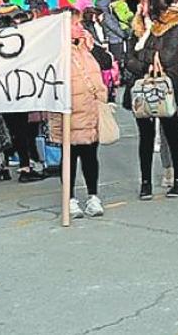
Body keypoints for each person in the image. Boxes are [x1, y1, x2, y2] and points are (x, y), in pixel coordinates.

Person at [124, 0, 178, 200]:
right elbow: (128, 60)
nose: (141, 5)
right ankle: (145, 182)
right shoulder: (136, 28)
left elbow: (169, 57)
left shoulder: (173, 25)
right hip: (142, 87)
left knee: (172, 134)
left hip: (168, 86)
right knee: (145, 136)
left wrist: (142, 54)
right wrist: (147, 64)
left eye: (145, 2)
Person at [50, 12, 109, 218]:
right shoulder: (56, 51)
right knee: (69, 157)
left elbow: (107, 63)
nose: (79, 27)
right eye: (75, 24)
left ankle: (93, 196)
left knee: (90, 156)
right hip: (69, 112)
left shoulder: (85, 47)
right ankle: (70, 198)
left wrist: (92, 46)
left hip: (89, 110)